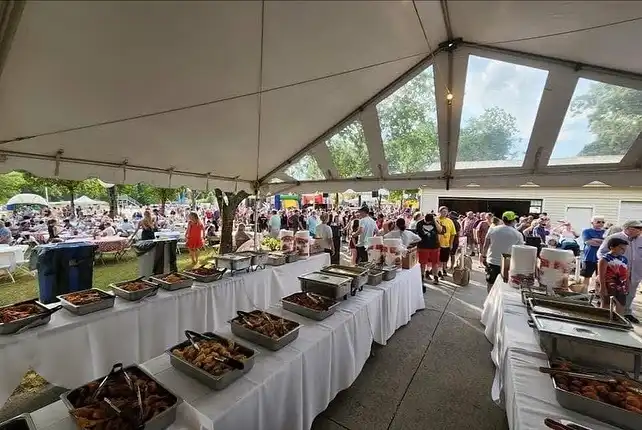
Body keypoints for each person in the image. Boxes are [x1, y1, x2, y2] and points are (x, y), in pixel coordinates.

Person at [597, 220, 642, 324]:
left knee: (630, 294)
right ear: (628, 228)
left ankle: (626, 314)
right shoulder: (614, 238)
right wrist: (610, 263)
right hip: (613, 274)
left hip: (635, 271)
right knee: (608, 297)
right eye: (638, 228)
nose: (640, 231)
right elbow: (601, 253)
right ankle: (604, 316)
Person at [482, 211, 524, 292]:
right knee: (504, 285)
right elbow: (520, 251)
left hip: (492, 261)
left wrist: (483, 256)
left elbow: (486, 245)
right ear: (513, 220)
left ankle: (490, 300)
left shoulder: (492, 230)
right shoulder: (518, 234)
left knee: (490, 282)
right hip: (508, 263)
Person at [597, 237, 630, 315]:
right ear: (612, 247)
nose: (623, 250)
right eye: (621, 248)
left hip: (621, 286)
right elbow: (601, 275)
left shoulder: (624, 259)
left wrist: (627, 285)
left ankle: (617, 321)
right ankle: (603, 321)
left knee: (621, 305)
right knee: (606, 305)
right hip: (608, 285)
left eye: (625, 249)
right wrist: (602, 287)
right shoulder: (605, 259)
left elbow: (626, 273)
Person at [416, 213, 443, 286]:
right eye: (426, 221)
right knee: (422, 263)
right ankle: (422, 276)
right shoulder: (419, 223)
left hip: (434, 246)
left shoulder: (435, 223)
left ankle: (435, 276)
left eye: (429, 222)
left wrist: (435, 221)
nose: (427, 223)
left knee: (435, 262)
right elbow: (417, 234)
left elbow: (440, 231)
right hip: (423, 246)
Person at [580, 216, 605, 292]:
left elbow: (607, 243)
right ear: (592, 223)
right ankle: (584, 293)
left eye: (603, 222)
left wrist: (595, 239)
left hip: (602, 259)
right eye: (598, 222)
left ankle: (597, 293)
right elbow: (588, 242)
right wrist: (601, 241)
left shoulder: (605, 232)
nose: (601, 224)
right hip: (589, 257)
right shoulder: (586, 231)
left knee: (600, 277)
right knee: (587, 276)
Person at [436, 206, 456, 278]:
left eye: (446, 212)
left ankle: (444, 270)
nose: (444, 213)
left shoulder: (450, 221)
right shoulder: (436, 220)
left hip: (446, 243)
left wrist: (451, 244)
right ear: (440, 212)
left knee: (445, 258)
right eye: (443, 211)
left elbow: (453, 233)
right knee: (438, 259)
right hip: (437, 243)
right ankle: (438, 271)